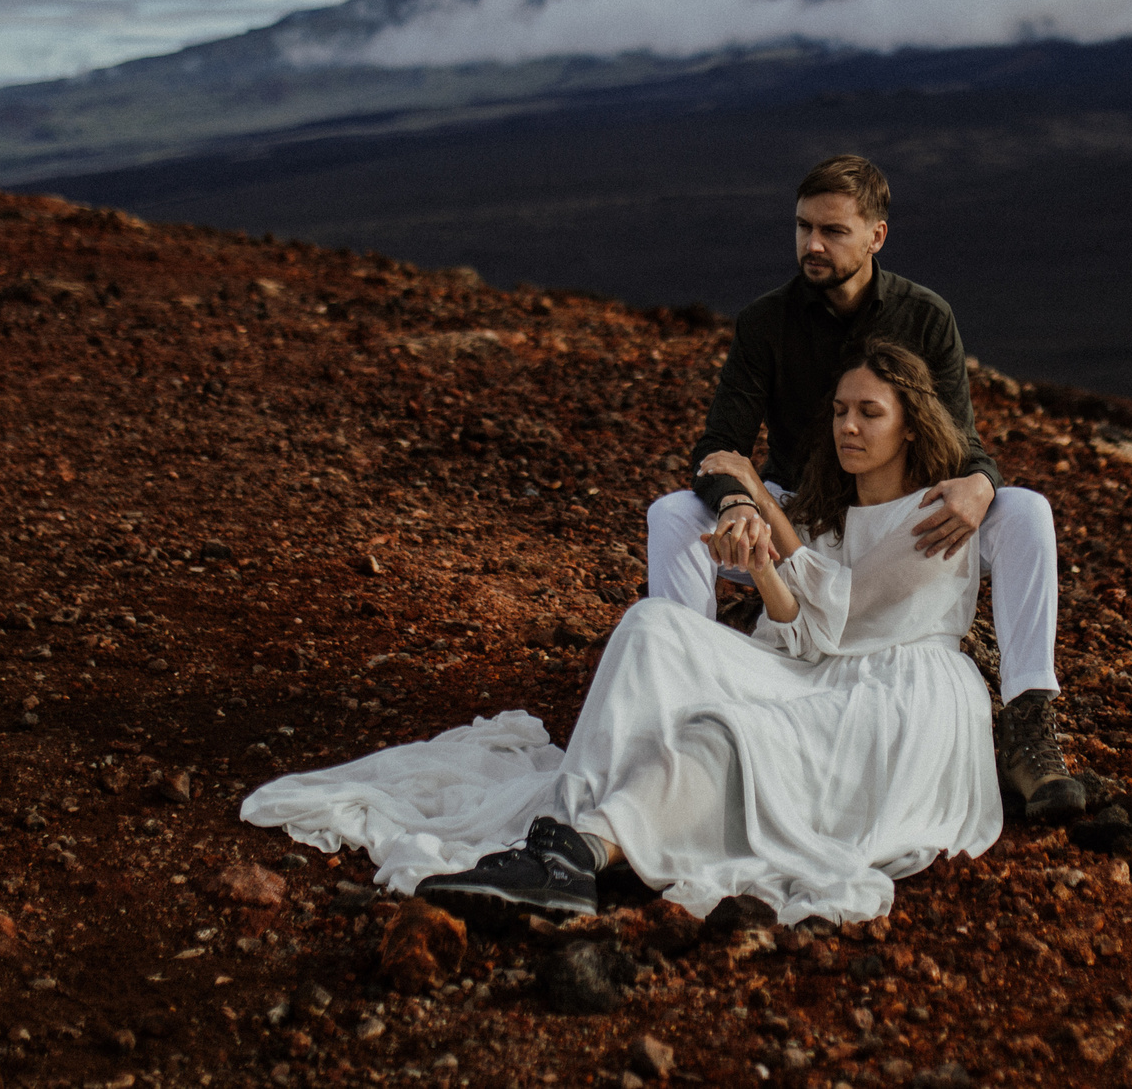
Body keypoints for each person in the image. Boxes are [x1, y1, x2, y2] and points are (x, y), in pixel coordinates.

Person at [239, 341, 1002, 925]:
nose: (848, 425)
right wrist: (766, 560)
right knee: (655, 624)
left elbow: (842, 610)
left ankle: (579, 853)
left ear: (910, 423)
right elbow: (801, 632)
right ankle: (563, 830)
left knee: (729, 734)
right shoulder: (832, 512)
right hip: (822, 667)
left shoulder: (941, 511)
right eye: (840, 409)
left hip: (896, 694)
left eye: (869, 412)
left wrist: (769, 515)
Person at [647, 155, 1083, 823]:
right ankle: (683, 703)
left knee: (1025, 511)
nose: (812, 245)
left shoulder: (925, 317)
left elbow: (964, 441)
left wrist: (979, 485)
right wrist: (740, 503)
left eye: (833, 230)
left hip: (902, 515)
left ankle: (1029, 726)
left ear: (877, 235)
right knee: (674, 514)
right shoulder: (766, 323)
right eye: (802, 227)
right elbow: (719, 445)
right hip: (805, 509)